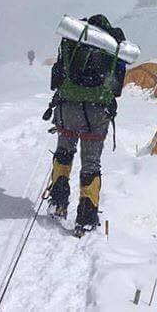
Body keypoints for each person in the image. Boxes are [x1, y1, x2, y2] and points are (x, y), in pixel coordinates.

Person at [43, 14, 127, 235]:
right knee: (91, 163)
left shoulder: (73, 39)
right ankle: (86, 218)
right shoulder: (113, 46)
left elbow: (58, 75)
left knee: (64, 152)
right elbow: (117, 88)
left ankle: (58, 202)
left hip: (68, 107)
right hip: (97, 113)